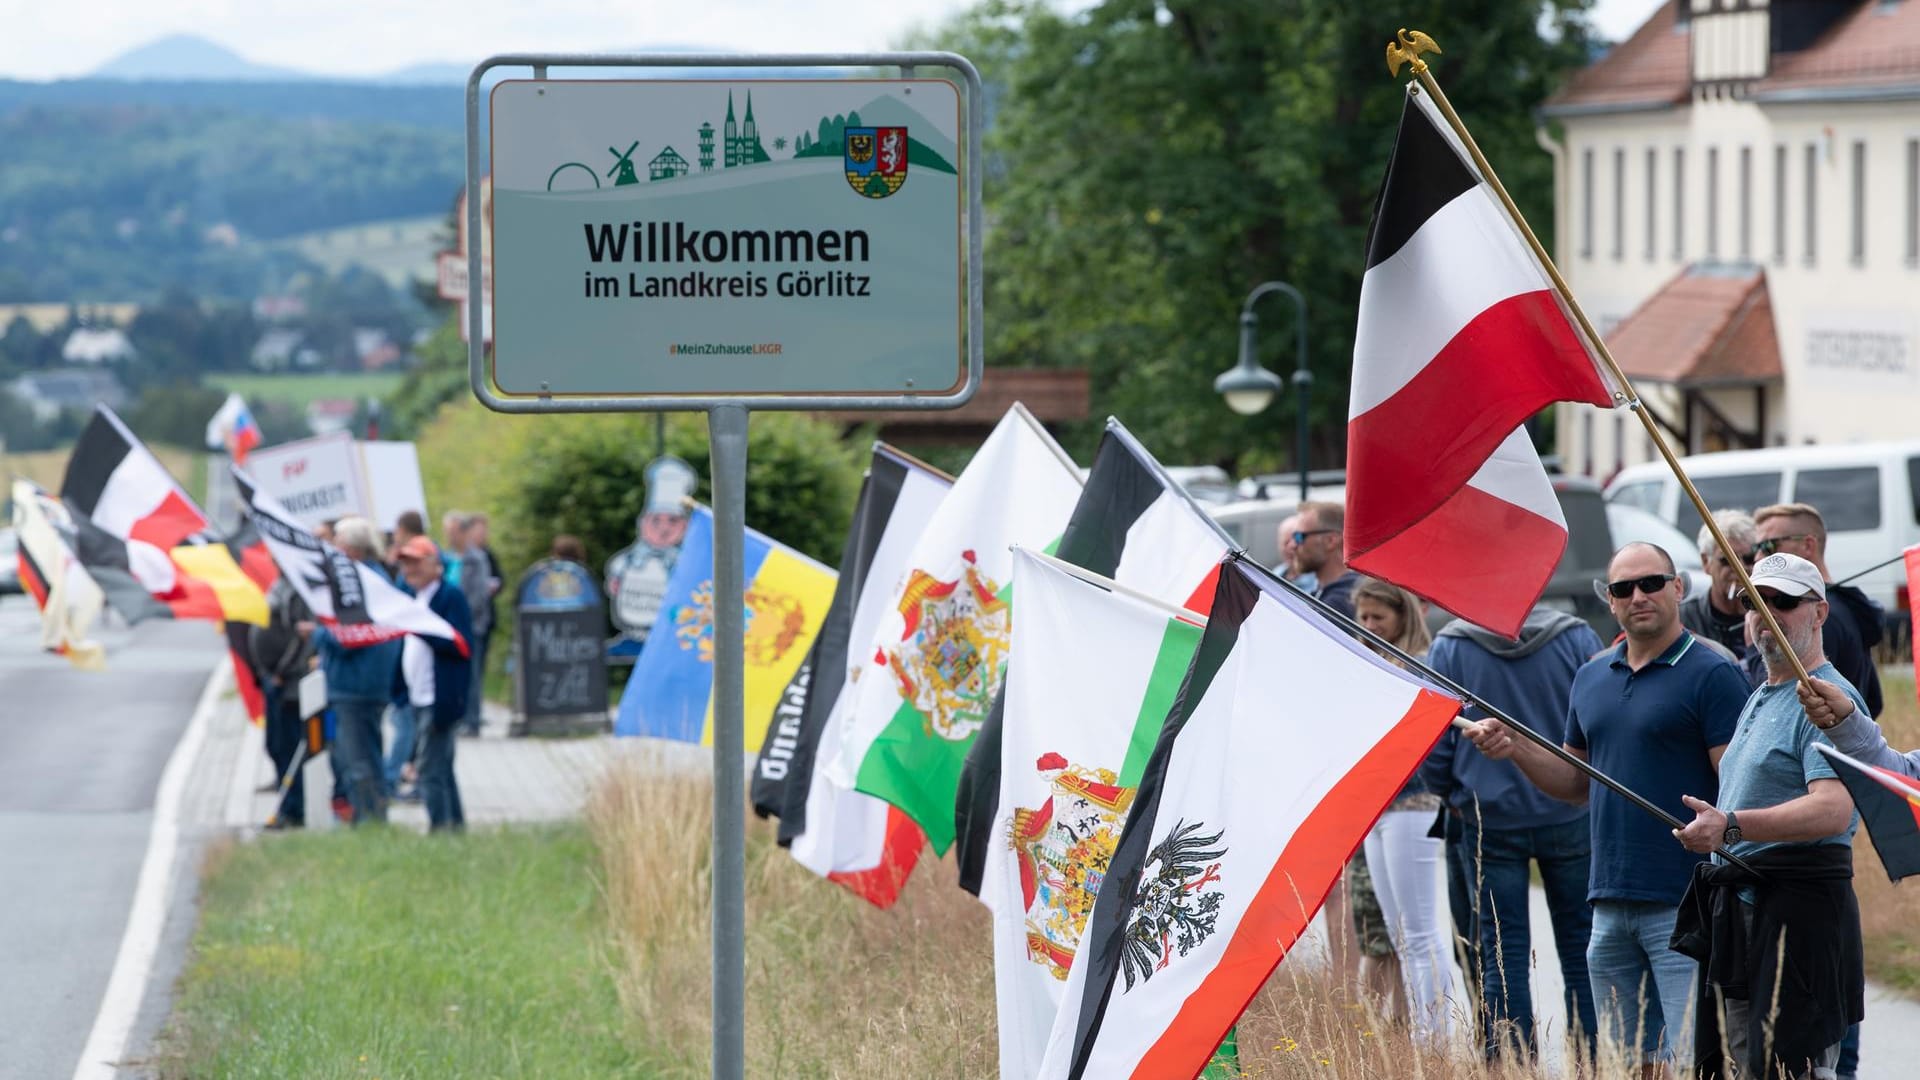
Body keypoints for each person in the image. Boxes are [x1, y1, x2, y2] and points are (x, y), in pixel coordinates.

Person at [1466, 542, 1749, 1074]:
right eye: (1623, 589)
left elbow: (1739, 787)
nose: (1638, 596)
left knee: (1694, 1061)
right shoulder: (1591, 674)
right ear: (1610, 602)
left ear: (1678, 588)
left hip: (1685, 903)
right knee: (1630, 1063)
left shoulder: (1714, 672)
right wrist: (1517, 747)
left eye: (1651, 583)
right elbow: (1575, 783)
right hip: (1608, 902)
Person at [1671, 552, 1865, 1080]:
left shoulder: (1827, 698)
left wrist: (1731, 825)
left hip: (1795, 917)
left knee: (1786, 1069)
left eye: (1783, 601)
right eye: (1755, 602)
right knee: (1740, 1065)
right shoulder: (1762, 690)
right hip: (1742, 911)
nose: (1765, 613)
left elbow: (1832, 809)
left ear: (1820, 612)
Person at [1423, 602, 1603, 1062]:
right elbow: (1598, 722)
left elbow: (1434, 746)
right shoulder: (1577, 637)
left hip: (1489, 817)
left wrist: (1455, 795)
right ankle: (1594, 1063)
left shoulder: (1450, 647)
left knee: (1502, 958)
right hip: (1568, 812)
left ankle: (1512, 1067)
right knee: (1582, 952)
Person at [1351, 577, 1452, 1047]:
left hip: (1412, 802)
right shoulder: (1368, 658)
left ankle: (1434, 1037)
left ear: (1403, 616)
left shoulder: (1424, 664)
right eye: (1364, 617)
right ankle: (1419, 1033)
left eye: (1379, 618)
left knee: (1420, 930)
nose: (1369, 625)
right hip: (1378, 802)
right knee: (1398, 931)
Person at [303, 516, 403, 826]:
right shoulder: (375, 579)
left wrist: (316, 633)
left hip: (355, 685)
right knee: (360, 755)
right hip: (365, 682)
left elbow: (349, 637)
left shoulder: (357, 585)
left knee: (358, 760)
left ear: (352, 550)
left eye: (338, 545)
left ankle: (370, 820)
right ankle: (369, 815)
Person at [1753, 503, 1883, 716]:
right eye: (1754, 602)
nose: (1758, 557)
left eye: (1768, 546)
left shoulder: (1810, 613)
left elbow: (1781, 706)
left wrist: (1752, 649)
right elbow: (1874, 701)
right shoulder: (1847, 607)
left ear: (1808, 545)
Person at [393, 536, 474, 832]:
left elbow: (461, 645)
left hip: (439, 697)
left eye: (415, 562)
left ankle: (441, 829)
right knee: (441, 767)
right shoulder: (412, 597)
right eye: (404, 562)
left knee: (428, 768)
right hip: (418, 696)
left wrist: (423, 627)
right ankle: (453, 826)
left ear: (434, 565)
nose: (408, 569)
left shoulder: (449, 597)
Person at [248, 575, 317, 829]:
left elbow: (301, 638)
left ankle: (294, 809)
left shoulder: (303, 589)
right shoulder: (280, 584)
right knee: (276, 745)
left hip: (290, 684)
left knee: (291, 748)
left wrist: (281, 670)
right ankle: (287, 804)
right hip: (274, 681)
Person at [1679, 510, 1758, 659]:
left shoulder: (1773, 615)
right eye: (1727, 560)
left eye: (1749, 559)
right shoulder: (1682, 620)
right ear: (1705, 562)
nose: (1740, 568)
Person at [1293, 501, 1360, 615]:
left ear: (1330, 541)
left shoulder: (1339, 603)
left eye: (1299, 537)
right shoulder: (1326, 593)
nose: (1293, 545)